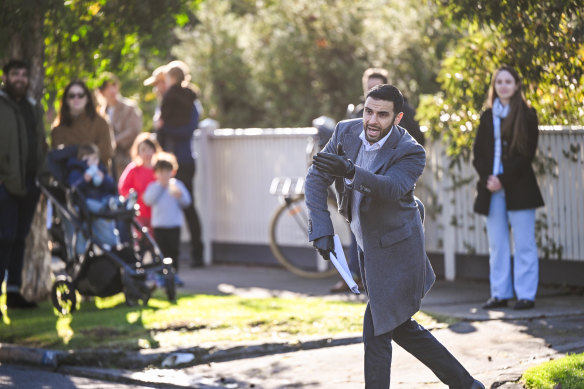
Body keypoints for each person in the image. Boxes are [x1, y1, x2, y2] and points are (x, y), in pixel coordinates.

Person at [305, 84, 484, 388]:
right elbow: (315, 177)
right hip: (368, 249)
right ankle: (466, 385)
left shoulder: (410, 151)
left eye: (382, 115)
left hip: (398, 251)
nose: (372, 120)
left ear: (397, 117)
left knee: (375, 330)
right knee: (401, 328)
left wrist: (349, 170)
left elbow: (389, 188)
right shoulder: (345, 132)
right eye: (368, 111)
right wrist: (321, 226)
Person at [472, 65, 544, 311]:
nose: (503, 86)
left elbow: (526, 154)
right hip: (491, 190)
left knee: (524, 244)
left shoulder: (528, 115)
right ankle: (499, 293)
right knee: (497, 244)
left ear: (516, 86)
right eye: (499, 82)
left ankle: (526, 295)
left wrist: (503, 178)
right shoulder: (487, 115)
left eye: (508, 82)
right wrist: (488, 179)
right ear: (495, 86)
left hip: (520, 188)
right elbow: (478, 154)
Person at [0, 59, 48, 313]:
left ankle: (14, 292)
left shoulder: (32, 107)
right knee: (3, 237)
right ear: (6, 77)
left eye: (23, 75)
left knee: (20, 238)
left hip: (30, 183)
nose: (20, 79)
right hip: (5, 184)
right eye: (15, 74)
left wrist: (41, 175)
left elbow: (40, 142)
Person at [156, 62, 205, 267]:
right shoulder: (167, 103)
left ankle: (197, 254)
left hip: (183, 161)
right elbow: (160, 131)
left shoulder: (190, 104)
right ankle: (166, 255)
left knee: (188, 205)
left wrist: (166, 129)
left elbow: (187, 131)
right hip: (167, 160)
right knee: (162, 207)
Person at [143, 152, 191, 282]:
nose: (164, 175)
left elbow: (187, 202)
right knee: (160, 251)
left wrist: (179, 195)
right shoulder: (154, 187)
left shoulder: (177, 186)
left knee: (173, 251)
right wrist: (160, 188)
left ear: (172, 172)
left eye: (166, 172)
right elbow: (148, 200)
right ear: (156, 174)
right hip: (159, 225)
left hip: (174, 224)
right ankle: (161, 275)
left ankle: (174, 274)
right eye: (160, 172)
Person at [67, 143, 123, 252]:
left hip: (102, 199)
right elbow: (73, 188)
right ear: (81, 159)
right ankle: (108, 206)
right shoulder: (76, 171)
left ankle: (117, 204)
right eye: (89, 159)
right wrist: (84, 179)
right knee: (93, 205)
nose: (93, 162)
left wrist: (104, 179)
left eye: (95, 159)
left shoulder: (100, 170)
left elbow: (112, 187)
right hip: (87, 202)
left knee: (111, 201)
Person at [348, 67, 425, 146]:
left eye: (377, 88)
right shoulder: (359, 112)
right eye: (369, 88)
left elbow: (418, 140)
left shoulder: (405, 111)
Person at [51, 80, 114, 167]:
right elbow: (57, 157)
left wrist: (77, 151)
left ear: (87, 98)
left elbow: (107, 151)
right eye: (71, 96)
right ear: (66, 100)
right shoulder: (58, 129)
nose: (76, 99)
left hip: (97, 175)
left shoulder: (100, 122)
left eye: (80, 95)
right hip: (68, 177)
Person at [96, 73, 143, 179]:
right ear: (102, 92)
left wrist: (113, 141)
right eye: (108, 87)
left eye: (114, 85)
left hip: (127, 159)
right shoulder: (101, 112)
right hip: (109, 163)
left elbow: (134, 130)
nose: (112, 90)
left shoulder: (129, 107)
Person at [118, 132, 162, 230]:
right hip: (139, 213)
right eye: (143, 150)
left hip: (157, 214)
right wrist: (138, 196)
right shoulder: (133, 169)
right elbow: (123, 187)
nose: (147, 153)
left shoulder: (159, 168)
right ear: (138, 151)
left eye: (150, 149)